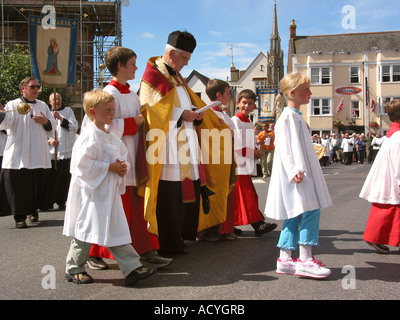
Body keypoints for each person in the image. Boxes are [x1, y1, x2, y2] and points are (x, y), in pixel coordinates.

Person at [139, 30, 232, 254]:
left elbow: (182, 105)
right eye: (185, 59)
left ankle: (179, 239)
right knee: (169, 197)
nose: (186, 64)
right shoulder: (152, 78)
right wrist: (182, 116)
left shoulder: (178, 78)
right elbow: (151, 113)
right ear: (171, 53)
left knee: (183, 196)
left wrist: (195, 114)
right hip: (166, 149)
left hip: (185, 144)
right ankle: (167, 244)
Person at [87, 46, 171, 270]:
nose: (136, 67)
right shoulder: (109, 93)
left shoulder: (130, 93)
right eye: (132, 63)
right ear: (120, 66)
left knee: (135, 205)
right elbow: (106, 126)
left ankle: (144, 249)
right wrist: (138, 121)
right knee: (114, 208)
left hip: (134, 155)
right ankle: (94, 252)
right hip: (117, 158)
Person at [63, 89, 156, 286]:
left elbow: (121, 155)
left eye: (113, 109)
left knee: (115, 228)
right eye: (107, 110)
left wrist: (123, 167)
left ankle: (132, 269)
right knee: (86, 230)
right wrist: (109, 167)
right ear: (92, 111)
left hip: (108, 191)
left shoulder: (107, 134)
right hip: (92, 192)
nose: (112, 114)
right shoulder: (88, 136)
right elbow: (80, 166)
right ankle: (74, 268)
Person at [265, 73, 332, 279]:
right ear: (292, 92)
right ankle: (305, 259)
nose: (310, 93)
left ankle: (285, 258)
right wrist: (295, 169)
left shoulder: (294, 117)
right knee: (311, 210)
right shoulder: (288, 117)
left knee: (294, 213)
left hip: (298, 172)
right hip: (298, 174)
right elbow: (284, 147)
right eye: (306, 89)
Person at [0, 77, 56, 228]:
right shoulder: (13, 104)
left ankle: (33, 210)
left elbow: (53, 125)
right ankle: (19, 217)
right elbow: (6, 124)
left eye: (38, 87)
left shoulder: (43, 105)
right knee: (18, 186)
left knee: (36, 184)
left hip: (38, 151)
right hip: (19, 152)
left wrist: (46, 122)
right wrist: (1, 114)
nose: (36, 89)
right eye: (32, 87)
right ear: (23, 88)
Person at [231, 89, 277, 237]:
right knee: (248, 195)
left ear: (254, 106)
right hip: (238, 165)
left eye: (250, 103)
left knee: (241, 197)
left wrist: (256, 151)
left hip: (246, 164)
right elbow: (236, 145)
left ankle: (231, 225)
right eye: (244, 102)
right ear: (238, 103)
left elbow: (248, 142)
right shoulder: (235, 120)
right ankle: (258, 224)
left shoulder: (249, 122)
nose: (247, 106)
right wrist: (253, 152)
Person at [360, 99, 400, 254]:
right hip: (392, 178)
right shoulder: (397, 137)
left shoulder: (393, 134)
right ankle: (374, 237)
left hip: (388, 177)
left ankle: (375, 237)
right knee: (387, 210)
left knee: (386, 210)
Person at [200, 78, 237, 241]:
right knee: (213, 194)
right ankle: (209, 231)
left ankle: (223, 228)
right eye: (228, 93)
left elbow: (232, 133)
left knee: (224, 194)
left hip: (225, 158)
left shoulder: (223, 113)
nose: (229, 97)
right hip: (212, 159)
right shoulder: (207, 113)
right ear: (218, 95)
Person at [47, 92, 78, 210]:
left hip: (65, 149)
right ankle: (48, 201)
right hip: (51, 151)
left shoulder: (68, 111)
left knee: (63, 178)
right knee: (51, 177)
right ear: (50, 102)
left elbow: (74, 126)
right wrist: (49, 141)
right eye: (54, 100)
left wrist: (60, 118)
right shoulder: (46, 112)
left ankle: (61, 200)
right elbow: (42, 131)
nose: (57, 102)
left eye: (58, 99)